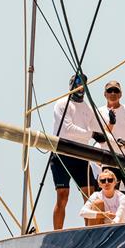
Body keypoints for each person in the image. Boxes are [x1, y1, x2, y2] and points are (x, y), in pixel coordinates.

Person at [51, 73, 97, 229]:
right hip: (62, 153)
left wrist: (111, 128)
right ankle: (57, 232)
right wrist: (90, 134)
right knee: (62, 195)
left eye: (83, 82)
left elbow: (98, 130)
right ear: (70, 84)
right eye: (76, 82)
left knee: (90, 195)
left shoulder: (88, 108)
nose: (79, 85)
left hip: (81, 154)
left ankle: (88, 231)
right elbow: (68, 128)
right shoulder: (62, 104)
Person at [96, 80, 125, 220]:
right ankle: (106, 229)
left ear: (121, 93)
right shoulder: (99, 111)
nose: (113, 93)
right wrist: (111, 124)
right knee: (107, 197)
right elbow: (99, 136)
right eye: (110, 91)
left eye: (116, 91)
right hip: (109, 160)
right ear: (105, 94)